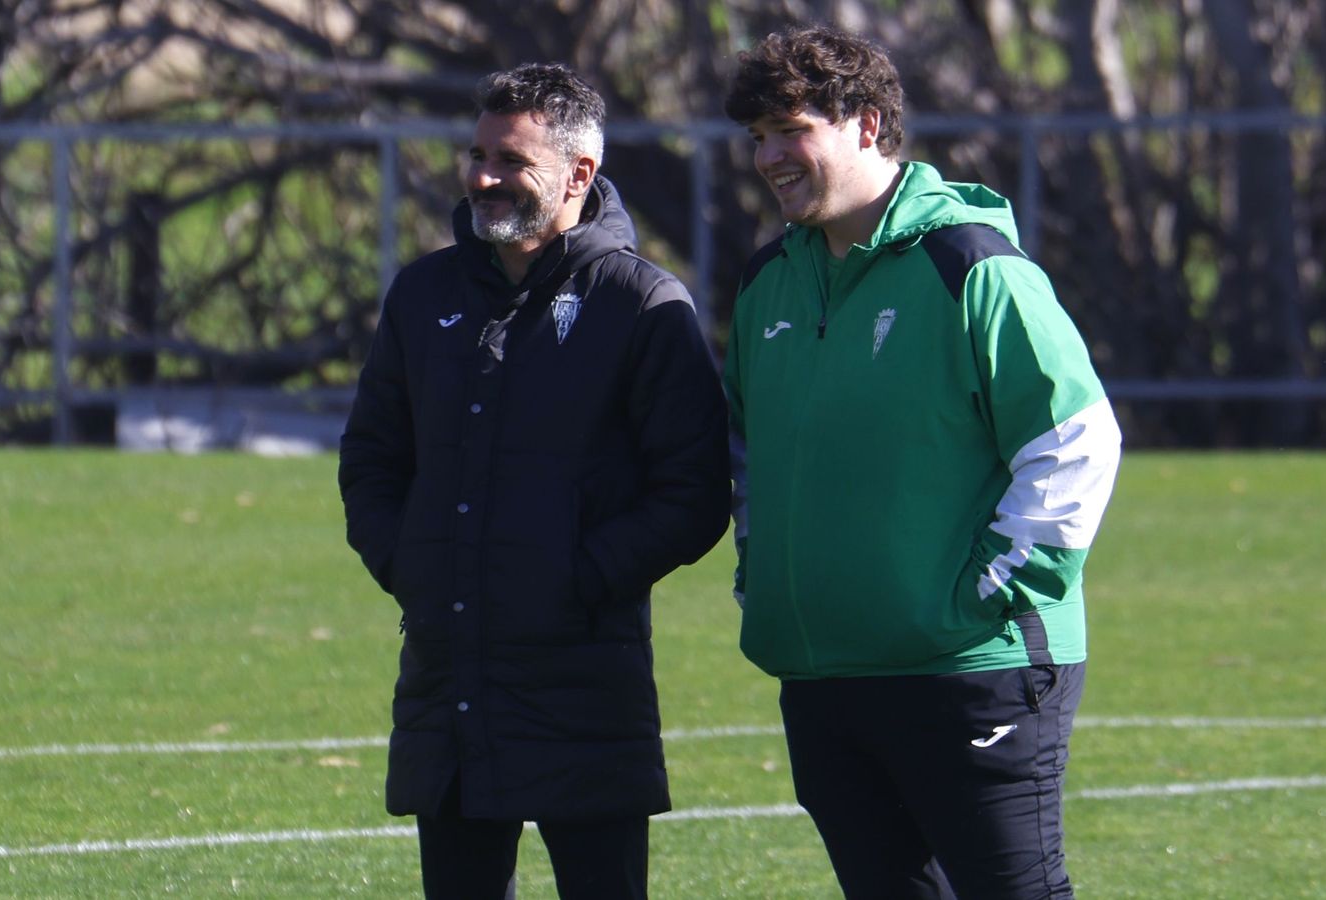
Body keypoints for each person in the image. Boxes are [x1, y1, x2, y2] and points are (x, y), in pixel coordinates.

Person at [722, 26, 1122, 900]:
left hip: (972, 670)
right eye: (757, 137)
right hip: (825, 671)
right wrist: (765, 581)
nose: (769, 157)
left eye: (790, 129)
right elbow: (745, 452)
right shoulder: (767, 285)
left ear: (866, 123)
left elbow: (1077, 440)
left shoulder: (972, 266)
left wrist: (984, 593)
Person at [339, 63, 730, 900]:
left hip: (584, 688)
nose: (483, 176)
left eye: (509, 160)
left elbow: (694, 495)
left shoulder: (643, 304)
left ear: (578, 174)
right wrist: (412, 563)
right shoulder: (422, 295)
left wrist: (575, 581)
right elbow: (371, 461)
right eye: (476, 153)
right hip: (450, 682)